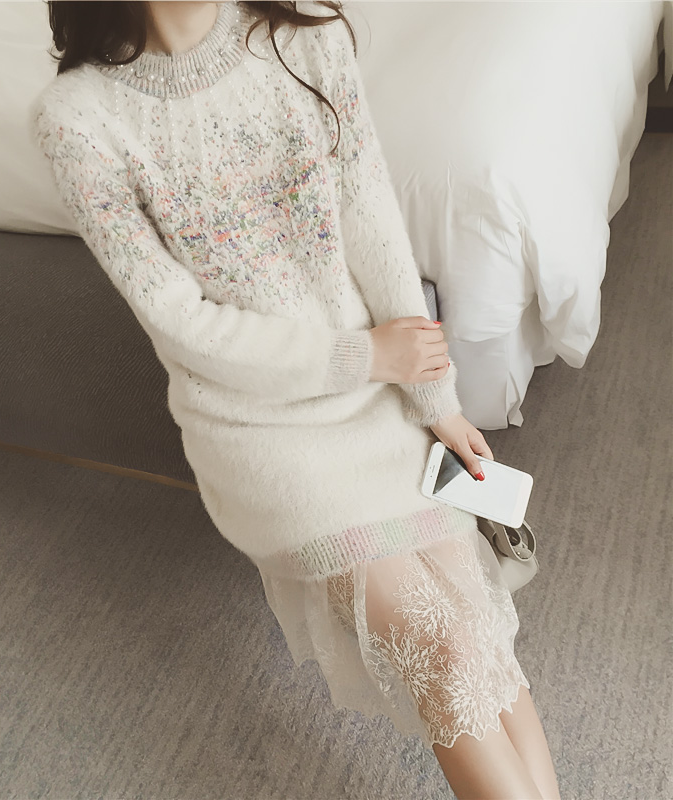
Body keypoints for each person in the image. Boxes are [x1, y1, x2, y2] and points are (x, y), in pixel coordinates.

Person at [31, 2, 561, 797]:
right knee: (443, 650)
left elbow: (372, 219)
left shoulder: (303, 40)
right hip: (260, 432)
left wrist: (435, 402)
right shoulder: (78, 119)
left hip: (379, 399)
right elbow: (181, 325)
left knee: (475, 628)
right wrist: (362, 356)